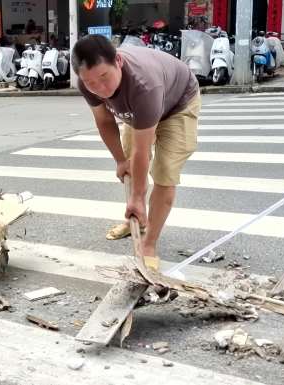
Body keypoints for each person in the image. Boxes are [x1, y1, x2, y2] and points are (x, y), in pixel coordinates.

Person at [71, 34, 200, 268]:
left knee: (164, 171)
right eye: (91, 83)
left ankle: (149, 242)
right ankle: (138, 221)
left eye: (104, 77)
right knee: (130, 165)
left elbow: (143, 150)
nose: (100, 88)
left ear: (118, 62)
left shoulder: (145, 84)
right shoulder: (87, 82)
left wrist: (138, 197)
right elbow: (104, 121)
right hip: (138, 110)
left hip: (178, 102)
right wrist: (120, 160)